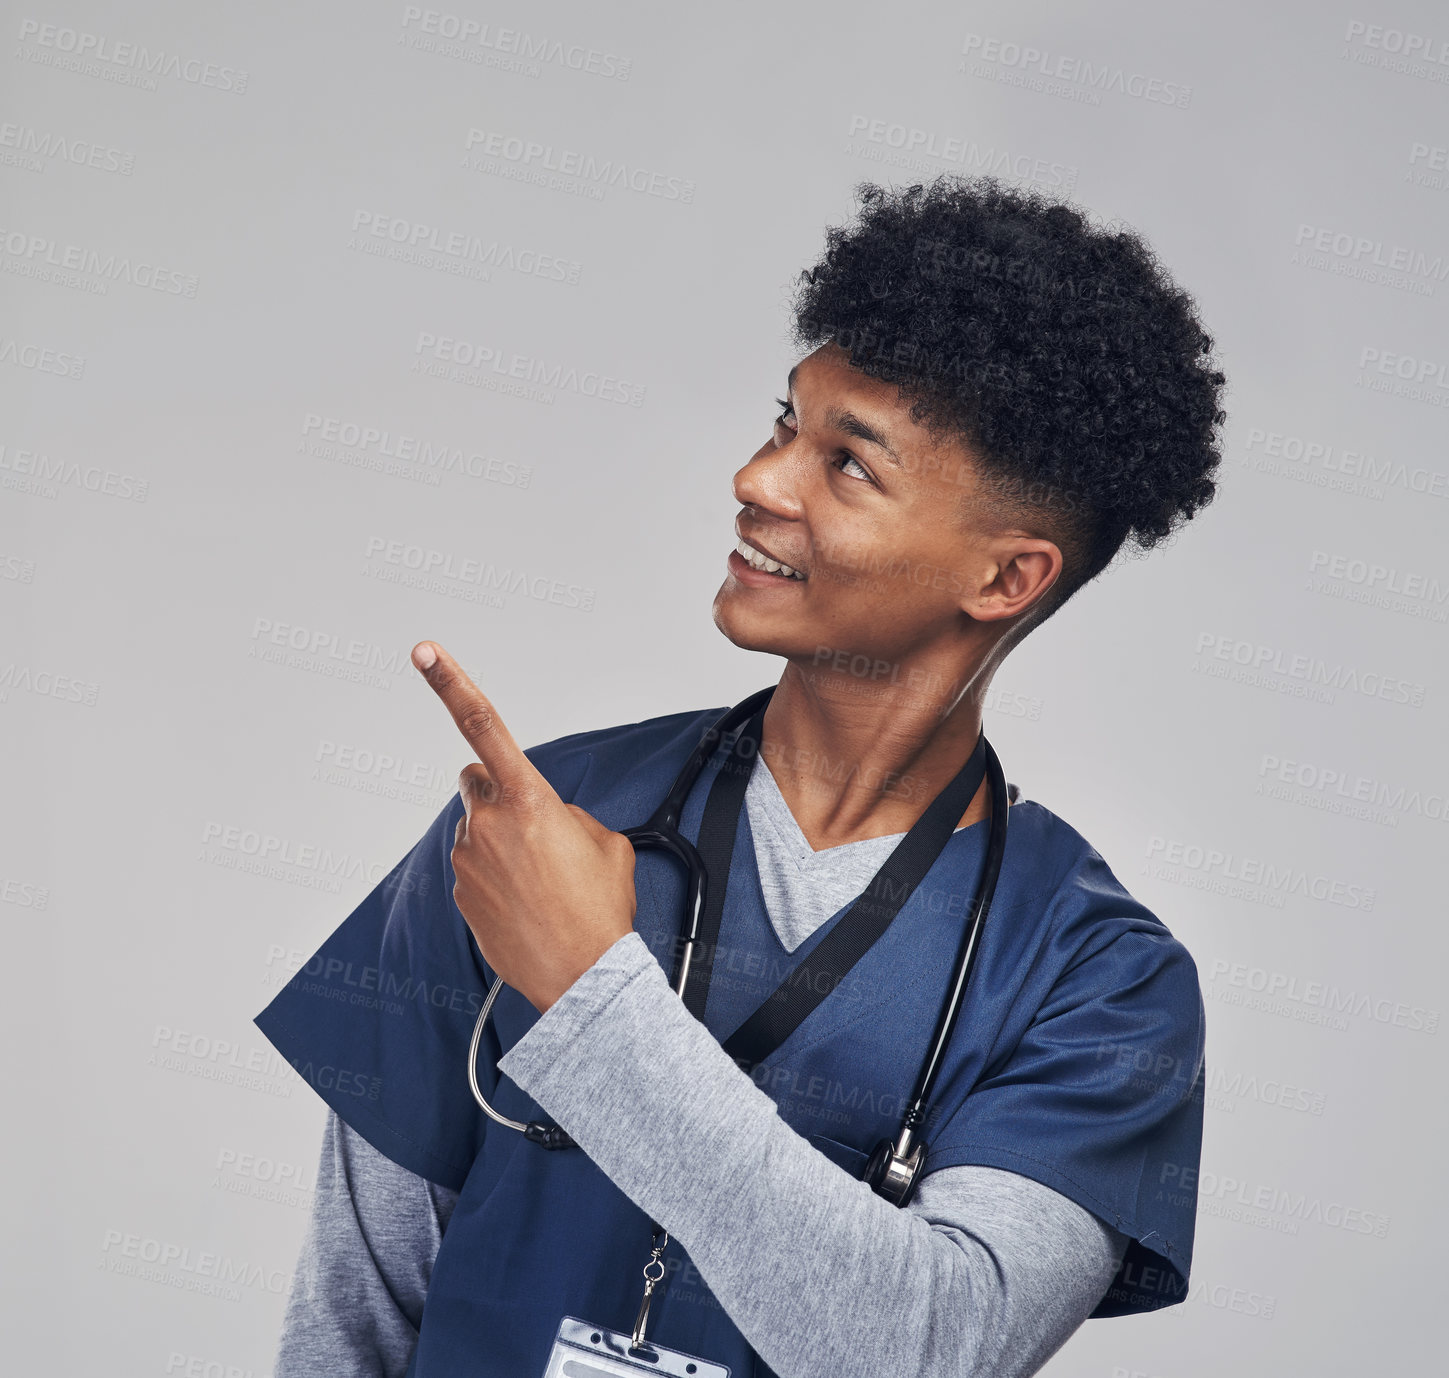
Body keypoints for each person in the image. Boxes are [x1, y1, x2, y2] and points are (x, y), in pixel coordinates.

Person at [255, 174, 1225, 1378]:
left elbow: (927, 1347)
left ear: (1008, 578)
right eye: (785, 424)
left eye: (850, 465)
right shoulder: (537, 821)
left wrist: (589, 994)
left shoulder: (1100, 985)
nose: (759, 481)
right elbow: (353, 1314)